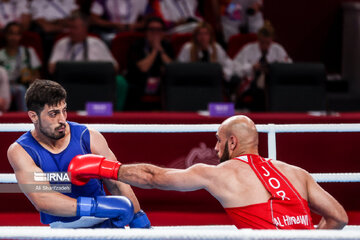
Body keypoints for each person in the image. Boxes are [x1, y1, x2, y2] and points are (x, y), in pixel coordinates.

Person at [68, 115, 348, 229]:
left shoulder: (219, 173)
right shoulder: (297, 172)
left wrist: (103, 167)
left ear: (232, 142)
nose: (214, 149)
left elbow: (154, 178)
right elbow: (338, 217)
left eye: (218, 140)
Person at [7, 79, 151, 228]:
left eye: (64, 110)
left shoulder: (88, 137)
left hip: (103, 223)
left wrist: (137, 217)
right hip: (62, 230)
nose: (62, 119)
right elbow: (43, 198)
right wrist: (96, 206)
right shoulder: (22, 151)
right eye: (53, 114)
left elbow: (116, 183)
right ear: (33, 116)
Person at [233, 21, 291, 111]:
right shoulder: (248, 49)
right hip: (251, 85)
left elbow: (289, 67)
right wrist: (251, 67)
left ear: (272, 40)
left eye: (267, 43)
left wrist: (274, 68)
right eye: (262, 42)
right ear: (258, 39)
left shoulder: (277, 49)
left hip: (272, 86)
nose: (264, 46)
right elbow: (234, 68)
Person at [126, 16, 174, 110]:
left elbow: (172, 68)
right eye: (152, 30)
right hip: (139, 83)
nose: (155, 33)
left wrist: (161, 51)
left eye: (159, 30)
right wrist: (155, 50)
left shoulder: (167, 46)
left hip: (160, 84)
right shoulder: (137, 45)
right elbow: (143, 68)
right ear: (146, 32)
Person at [48, 12, 118, 74]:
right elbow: (51, 69)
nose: (70, 31)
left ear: (85, 28)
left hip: (93, 82)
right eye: (69, 27)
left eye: (74, 28)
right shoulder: (61, 43)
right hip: (67, 82)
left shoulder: (97, 43)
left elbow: (115, 67)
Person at [0, 22, 42, 111]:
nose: (13, 37)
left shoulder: (28, 52)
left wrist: (32, 80)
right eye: (11, 33)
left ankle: (25, 117)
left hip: (24, 85)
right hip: (5, 86)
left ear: (21, 36)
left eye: (17, 34)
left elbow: (37, 75)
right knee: (20, 89)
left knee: (22, 89)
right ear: (5, 35)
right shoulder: (1, 54)